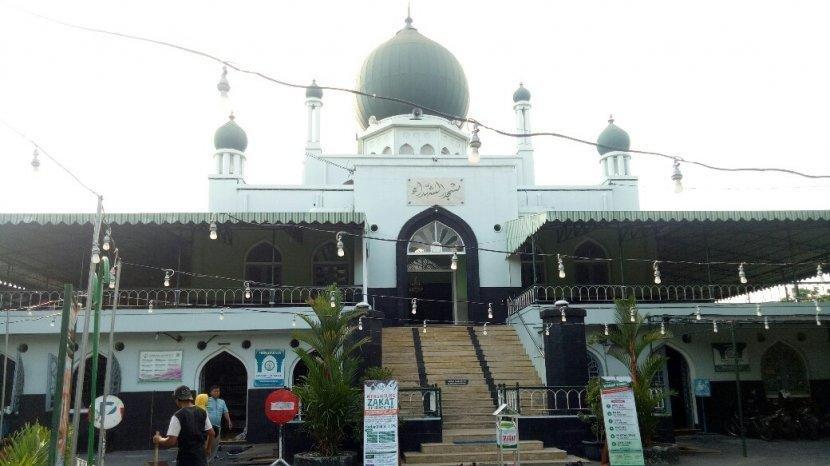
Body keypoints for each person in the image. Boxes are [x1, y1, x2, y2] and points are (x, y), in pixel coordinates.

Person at [153, 385, 215, 466]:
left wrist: (159, 439)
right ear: (190, 398)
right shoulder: (202, 412)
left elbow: (171, 441)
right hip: (201, 458)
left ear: (177, 400)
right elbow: (212, 433)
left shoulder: (178, 416)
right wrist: (208, 449)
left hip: (186, 459)